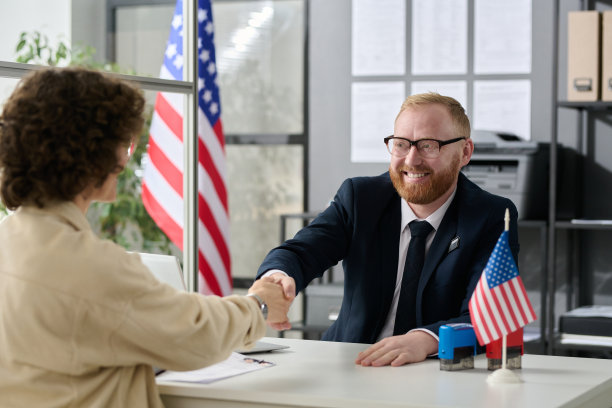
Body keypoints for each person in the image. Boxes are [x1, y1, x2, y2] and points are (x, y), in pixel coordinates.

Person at [0, 67, 291, 407]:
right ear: (92, 155)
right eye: (122, 142)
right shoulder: (89, 266)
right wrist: (257, 302)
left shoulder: (10, 239)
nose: (126, 155)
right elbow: (196, 336)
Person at [255, 92, 519, 367]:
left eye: (428, 146)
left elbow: (488, 315)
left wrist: (426, 339)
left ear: (465, 152)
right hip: (349, 364)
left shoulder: (490, 216)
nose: (412, 160)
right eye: (401, 144)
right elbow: (302, 251)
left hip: (434, 372)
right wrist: (278, 278)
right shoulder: (360, 198)